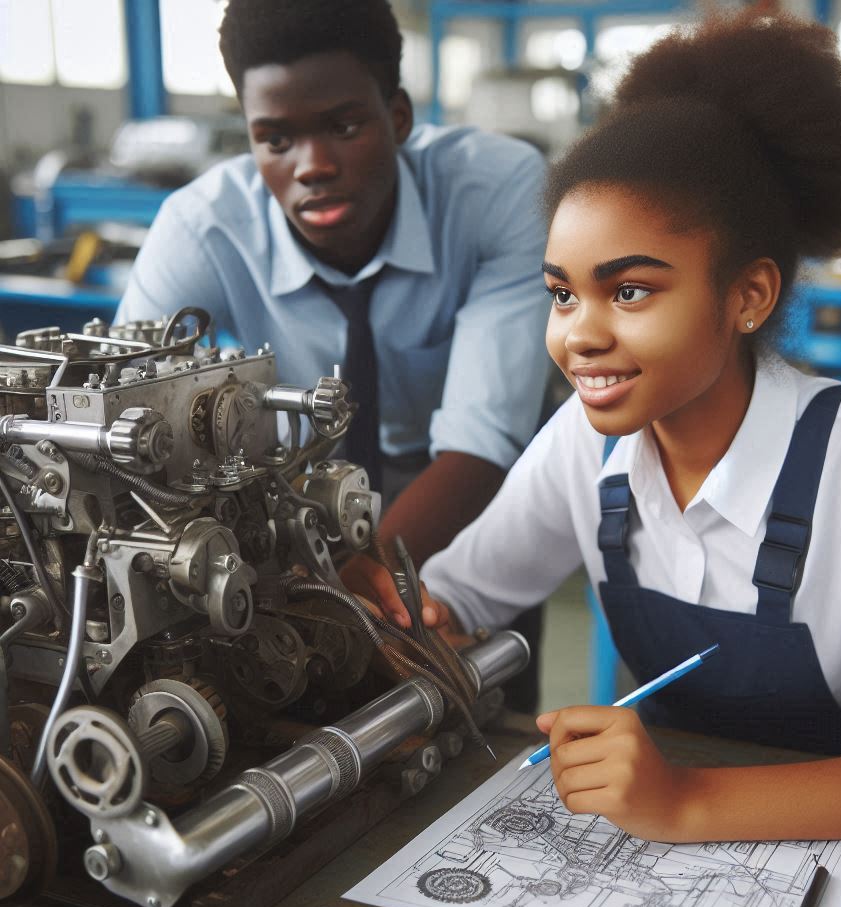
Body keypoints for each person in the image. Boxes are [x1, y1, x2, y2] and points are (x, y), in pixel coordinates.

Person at [363, 10, 841, 842]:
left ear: (748, 296)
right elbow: (463, 594)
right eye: (562, 293)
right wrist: (418, 616)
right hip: (662, 858)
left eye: (630, 291)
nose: (580, 334)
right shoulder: (588, 442)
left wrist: (689, 803)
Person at [116, 0, 551, 708]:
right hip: (295, 524)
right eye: (275, 139)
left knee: (481, 708)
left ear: (398, 117)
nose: (312, 166)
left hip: (462, 510)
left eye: (344, 126)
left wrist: (362, 577)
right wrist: (312, 580)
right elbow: (126, 426)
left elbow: (482, 442)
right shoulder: (201, 229)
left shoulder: (496, 193)